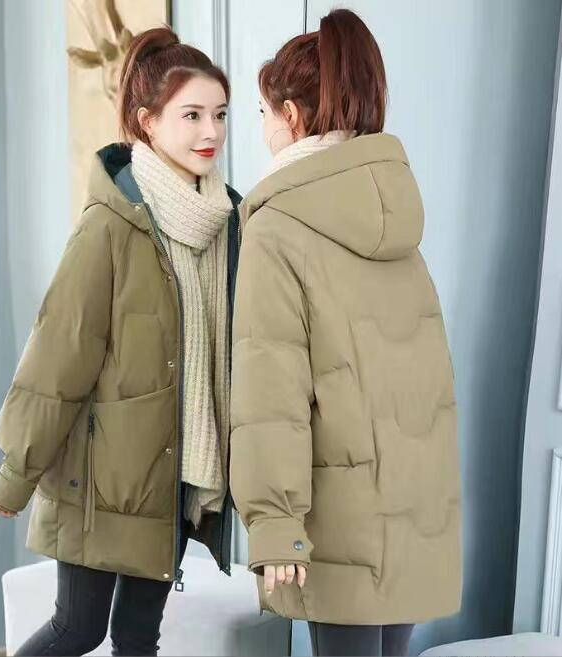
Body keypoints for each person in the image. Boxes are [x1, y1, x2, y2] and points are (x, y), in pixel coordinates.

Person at [0, 26, 241, 656]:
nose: (210, 131)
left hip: (176, 470)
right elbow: (59, 355)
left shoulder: (227, 223)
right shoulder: (110, 226)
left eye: (219, 114)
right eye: (191, 115)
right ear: (147, 122)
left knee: (135, 636)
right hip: (101, 480)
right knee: (77, 628)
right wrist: (17, 472)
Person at [229, 9, 462, 657]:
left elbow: (270, 392)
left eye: (262, 112)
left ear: (291, 115)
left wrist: (274, 522)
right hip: (413, 511)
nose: (263, 128)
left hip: (338, 521)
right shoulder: (397, 216)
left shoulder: (278, 226)